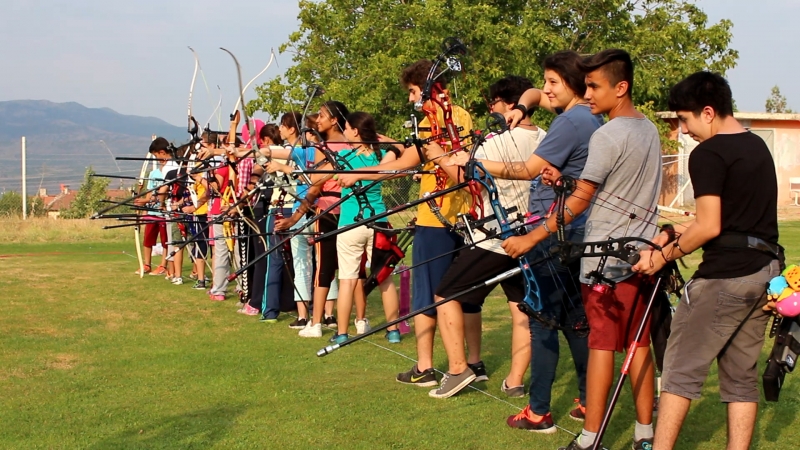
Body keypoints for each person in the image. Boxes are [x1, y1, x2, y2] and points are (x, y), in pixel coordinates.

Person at [502, 49, 661, 450]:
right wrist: (565, 183)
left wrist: (531, 237)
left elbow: (580, 203)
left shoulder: (607, 133)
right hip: (642, 257)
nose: (587, 94)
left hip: (606, 262)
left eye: (594, 86)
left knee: (602, 345)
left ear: (620, 87)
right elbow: (604, 189)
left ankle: (590, 439)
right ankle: (645, 436)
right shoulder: (649, 130)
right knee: (638, 343)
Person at [632, 72, 780, 450]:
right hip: (764, 275)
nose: (683, 130)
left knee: (680, 370)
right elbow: (730, 219)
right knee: (740, 377)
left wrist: (662, 255)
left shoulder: (708, 154)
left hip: (724, 278)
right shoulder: (757, 146)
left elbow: (710, 225)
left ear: (709, 112)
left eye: (685, 119)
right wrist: (672, 231)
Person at [338, 59, 482, 386]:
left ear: (430, 88)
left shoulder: (433, 122)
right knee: (461, 293)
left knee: (426, 296)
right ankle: (474, 362)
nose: (410, 98)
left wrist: (359, 173)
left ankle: (426, 367)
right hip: (463, 215)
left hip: (436, 219)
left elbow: (404, 163)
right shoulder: (460, 115)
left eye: (414, 91)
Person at [475, 53, 598, 430]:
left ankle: (539, 410)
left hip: (551, 233)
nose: (545, 89)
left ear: (573, 85)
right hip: (573, 232)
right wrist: (520, 108)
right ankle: (587, 400)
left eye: (553, 83)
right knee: (576, 320)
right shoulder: (589, 116)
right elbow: (530, 93)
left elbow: (527, 168)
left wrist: (473, 162)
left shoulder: (571, 121)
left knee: (543, 321)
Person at [420, 75, 547, 399]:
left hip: (495, 238)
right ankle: (515, 381)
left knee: (446, 294)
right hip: (532, 237)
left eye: (493, 103)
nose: (491, 108)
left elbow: (465, 178)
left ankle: (459, 368)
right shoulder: (546, 139)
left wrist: (437, 154)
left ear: (508, 103)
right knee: (521, 308)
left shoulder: (495, 141)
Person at [329, 112, 401, 344]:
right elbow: (400, 146)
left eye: (348, 128)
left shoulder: (343, 156)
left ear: (356, 131)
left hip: (351, 223)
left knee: (348, 280)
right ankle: (393, 331)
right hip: (379, 223)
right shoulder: (382, 156)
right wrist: (375, 136)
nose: (345, 132)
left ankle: (341, 334)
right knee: (384, 278)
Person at [135, 137, 171, 276]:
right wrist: (143, 201)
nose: (157, 159)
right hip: (152, 211)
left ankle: (163, 265)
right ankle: (147, 264)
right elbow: (150, 193)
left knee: (165, 241)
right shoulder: (153, 173)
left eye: (157, 155)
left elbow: (168, 191)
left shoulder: (171, 169)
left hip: (164, 212)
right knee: (148, 239)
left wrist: (158, 201)